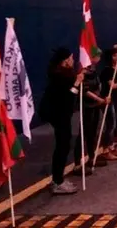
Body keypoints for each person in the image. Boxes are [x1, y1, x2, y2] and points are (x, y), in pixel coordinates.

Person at [39, 47, 83, 194]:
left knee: (64, 144)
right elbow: (69, 97)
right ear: (65, 61)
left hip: (61, 114)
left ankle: (58, 178)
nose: (73, 60)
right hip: (58, 114)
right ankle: (58, 181)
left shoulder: (63, 75)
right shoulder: (61, 77)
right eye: (71, 58)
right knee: (62, 146)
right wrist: (77, 83)